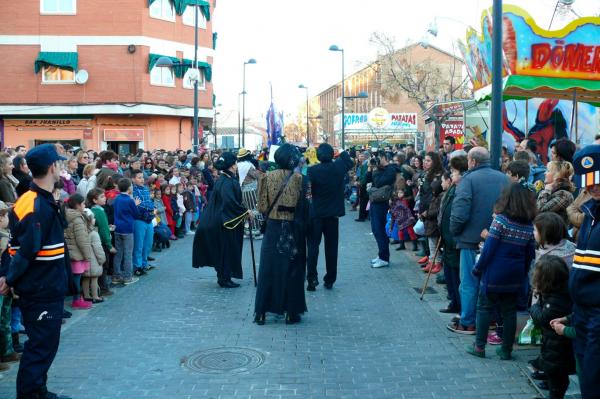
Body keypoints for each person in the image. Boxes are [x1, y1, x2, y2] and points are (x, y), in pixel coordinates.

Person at [0, 143, 71, 399]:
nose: (61, 167)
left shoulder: (33, 200)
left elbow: (13, 243)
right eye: (60, 163)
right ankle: (30, 394)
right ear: (52, 167)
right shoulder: (36, 205)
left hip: (44, 285)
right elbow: (25, 250)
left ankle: (38, 390)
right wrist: (9, 277)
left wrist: (7, 274)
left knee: (44, 344)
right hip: (41, 287)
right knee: (41, 347)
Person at [465, 181, 536, 359]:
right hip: (515, 274)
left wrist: (478, 268)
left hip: (495, 273)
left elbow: (489, 249)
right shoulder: (528, 226)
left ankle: (479, 347)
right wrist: (523, 273)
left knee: (484, 307)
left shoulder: (501, 221)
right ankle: (506, 350)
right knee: (509, 311)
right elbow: (530, 254)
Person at [448, 147, 510, 335]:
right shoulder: (503, 178)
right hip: (497, 238)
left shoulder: (468, 180)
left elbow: (460, 210)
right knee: (489, 282)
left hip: (471, 240)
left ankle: (468, 321)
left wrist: (455, 232)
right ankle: (489, 319)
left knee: (469, 282)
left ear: (473, 161)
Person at [254, 144, 308, 325]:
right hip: (293, 228)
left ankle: (261, 312)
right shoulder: (300, 178)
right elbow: (304, 207)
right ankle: (290, 312)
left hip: (273, 228)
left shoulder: (266, 177)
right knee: (292, 269)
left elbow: (261, 207)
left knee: (268, 269)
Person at [569, 144, 600, 399]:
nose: (593, 186)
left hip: (597, 315)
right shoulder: (591, 214)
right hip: (583, 311)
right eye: (588, 182)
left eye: (598, 180)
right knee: (587, 378)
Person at [192, 152, 250, 288]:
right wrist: (244, 212)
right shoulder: (227, 181)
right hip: (223, 222)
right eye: (235, 163)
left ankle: (224, 276)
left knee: (224, 249)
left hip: (219, 220)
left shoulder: (225, 179)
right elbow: (229, 202)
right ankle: (224, 278)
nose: (236, 166)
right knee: (225, 249)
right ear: (231, 166)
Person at [306, 143, 354, 289]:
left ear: (318, 156)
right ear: (332, 154)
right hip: (333, 215)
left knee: (313, 247)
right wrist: (340, 150)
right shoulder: (338, 167)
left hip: (316, 214)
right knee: (331, 248)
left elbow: (307, 189)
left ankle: (312, 279)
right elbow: (349, 161)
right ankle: (330, 279)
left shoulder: (312, 170)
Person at [530, 255, 576, 399]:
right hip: (553, 346)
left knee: (558, 380)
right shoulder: (558, 292)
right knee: (555, 377)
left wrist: (535, 306)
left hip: (558, 348)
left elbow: (542, 318)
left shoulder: (556, 300)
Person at [438, 155, 468, 314]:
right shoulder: (452, 188)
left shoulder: (462, 189)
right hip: (447, 238)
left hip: (455, 239)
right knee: (449, 273)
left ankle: (460, 304)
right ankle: (454, 302)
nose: (451, 175)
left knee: (456, 276)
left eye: (454, 172)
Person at [367, 152, 397, 269]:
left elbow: (379, 182)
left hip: (382, 203)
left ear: (385, 158)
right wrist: (370, 168)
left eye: (379, 158)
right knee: (375, 229)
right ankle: (381, 255)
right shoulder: (379, 169)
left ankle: (384, 258)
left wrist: (375, 171)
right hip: (375, 201)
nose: (377, 161)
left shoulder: (391, 169)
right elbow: (366, 180)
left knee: (379, 230)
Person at [64, 194, 93, 310]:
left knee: (73, 278)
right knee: (76, 278)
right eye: (83, 204)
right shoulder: (77, 219)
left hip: (70, 252)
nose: (85, 205)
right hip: (77, 253)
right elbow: (82, 240)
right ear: (78, 205)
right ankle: (76, 300)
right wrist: (87, 256)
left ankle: (76, 298)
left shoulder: (68, 215)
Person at [112, 178, 140, 285]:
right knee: (128, 253)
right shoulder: (129, 200)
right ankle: (128, 277)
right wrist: (135, 204)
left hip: (117, 228)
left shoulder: (117, 198)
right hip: (127, 229)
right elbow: (136, 214)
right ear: (129, 189)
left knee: (118, 253)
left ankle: (116, 276)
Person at [536, 160, 575, 225]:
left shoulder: (564, 195)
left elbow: (541, 212)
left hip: (555, 233)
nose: (544, 173)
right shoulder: (551, 190)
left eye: (548, 171)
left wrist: (545, 191)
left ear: (557, 175)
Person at [131, 170, 155, 276]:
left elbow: (150, 203)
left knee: (148, 244)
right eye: (139, 177)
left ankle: (145, 263)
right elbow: (138, 206)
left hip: (149, 219)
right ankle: (137, 266)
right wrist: (149, 209)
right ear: (133, 179)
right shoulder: (133, 191)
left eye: (142, 177)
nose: (142, 179)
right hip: (139, 220)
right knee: (139, 244)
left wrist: (150, 208)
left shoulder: (145, 189)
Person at [237, 149, 263, 238]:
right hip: (252, 190)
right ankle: (255, 231)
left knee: (247, 210)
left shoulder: (238, 165)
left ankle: (248, 231)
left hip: (243, 190)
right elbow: (257, 175)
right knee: (254, 209)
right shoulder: (248, 165)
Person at [81, 209, 106, 303]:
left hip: (85, 260)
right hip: (94, 261)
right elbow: (98, 249)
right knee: (94, 279)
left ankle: (86, 295)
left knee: (86, 278)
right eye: (93, 217)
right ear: (90, 220)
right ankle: (95, 296)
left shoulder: (83, 232)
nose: (95, 219)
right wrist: (102, 259)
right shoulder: (94, 234)